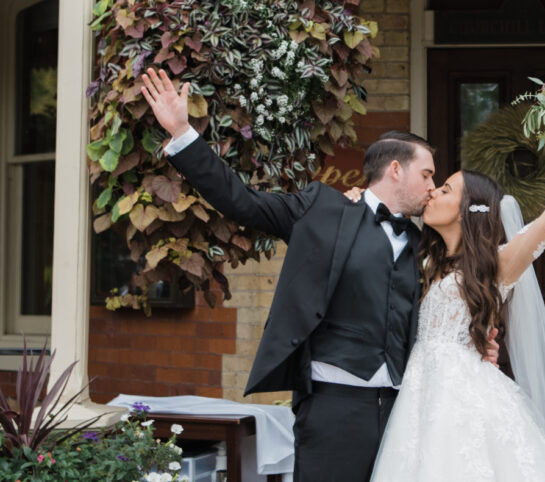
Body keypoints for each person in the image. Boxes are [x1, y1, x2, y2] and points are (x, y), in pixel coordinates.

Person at [138, 68, 499, 482]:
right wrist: (182, 132)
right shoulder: (321, 211)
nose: (432, 187)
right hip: (333, 407)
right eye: (427, 174)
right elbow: (242, 202)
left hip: (405, 412)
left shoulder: (424, 246)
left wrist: (476, 348)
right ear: (396, 169)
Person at [368, 138, 545, 481]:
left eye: (446, 190)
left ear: (467, 208)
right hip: (418, 398)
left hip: (466, 400)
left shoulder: (497, 265)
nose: (433, 191)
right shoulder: (425, 261)